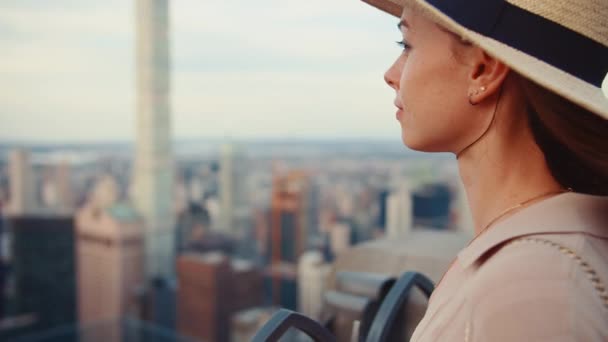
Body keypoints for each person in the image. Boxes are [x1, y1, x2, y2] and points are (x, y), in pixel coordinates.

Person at [359, 0, 608, 340]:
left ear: (483, 70)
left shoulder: (530, 287)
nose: (390, 75)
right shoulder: (537, 257)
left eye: (407, 45)